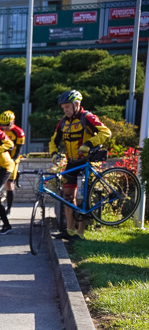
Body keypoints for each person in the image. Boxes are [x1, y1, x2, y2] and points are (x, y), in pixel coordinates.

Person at [48, 90, 112, 240]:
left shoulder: (87, 117)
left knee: (84, 199)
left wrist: (89, 143)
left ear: (76, 104)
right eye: (63, 108)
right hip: (71, 162)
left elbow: (106, 132)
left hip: (87, 161)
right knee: (67, 197)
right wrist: (54, 154)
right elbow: (53, 141)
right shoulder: (63, 122)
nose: (65, 110)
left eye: (67, 107)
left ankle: (80, 233)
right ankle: (69, 231)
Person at [0, 110, 25, 216]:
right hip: (1, 158)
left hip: (13, 159)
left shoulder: (19, 132)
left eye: (7, 125)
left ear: (13, 121)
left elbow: (18, 150)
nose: (5, 127)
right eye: (3, 125)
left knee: (9, 184)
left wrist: (13, 160)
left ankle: (8, 209)